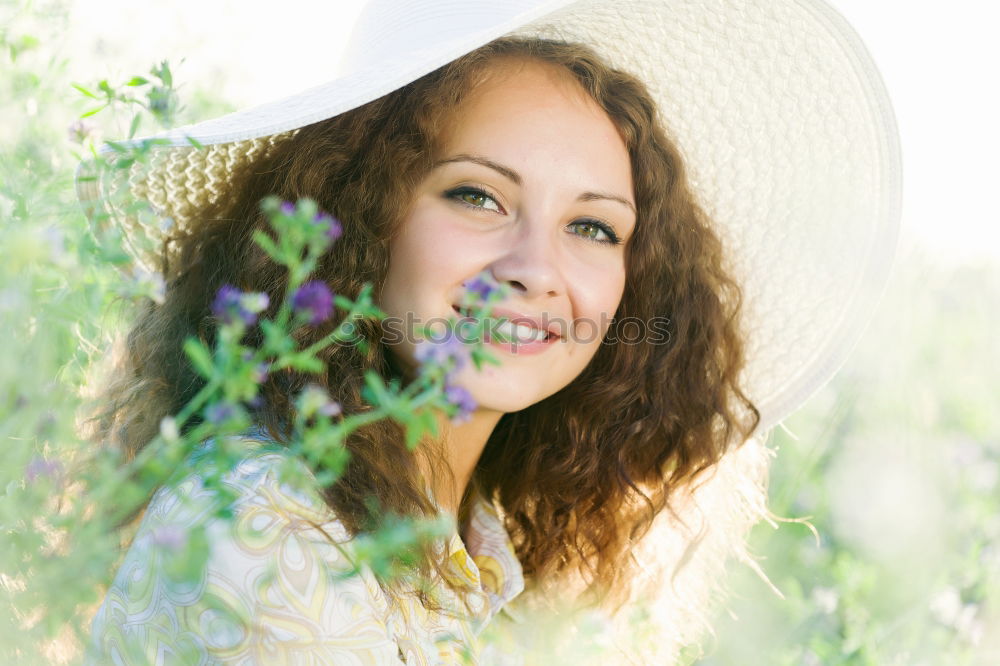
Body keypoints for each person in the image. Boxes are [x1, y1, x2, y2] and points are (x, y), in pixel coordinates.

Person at [78, 0, 901, 663]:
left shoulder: (482, 548)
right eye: (477, 196)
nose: (536, 269)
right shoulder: (257, 526)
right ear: (357, 217)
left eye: (594, 228)